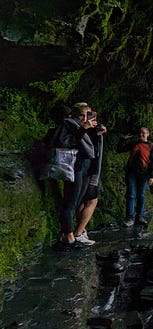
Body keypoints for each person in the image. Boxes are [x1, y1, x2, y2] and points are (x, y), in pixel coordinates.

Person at [51, 102, 107, 246]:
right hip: (74, 167)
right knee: (70, 203)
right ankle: (68, 237)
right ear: (76, 115)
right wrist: (83, 128)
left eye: (87, 115)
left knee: (76, 202)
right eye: (82, 115)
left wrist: (97, 133)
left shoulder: (86, 128)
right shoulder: (69, 125)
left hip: (86, 168)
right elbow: (67, 142)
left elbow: (90, 146)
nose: (84, 118)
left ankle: (66, 234)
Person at [117, 127, 153, 226]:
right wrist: (124, 139)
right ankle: (129, 218)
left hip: (144, 174)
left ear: (148, 134)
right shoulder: (135, 144)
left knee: (141, 195)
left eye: (143, 133)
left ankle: (140, 217)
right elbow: (120, 149)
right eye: (139, 133)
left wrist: (152, 175)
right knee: (131, 195)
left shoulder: (151, 146)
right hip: (131, 173)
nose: (141, 135)